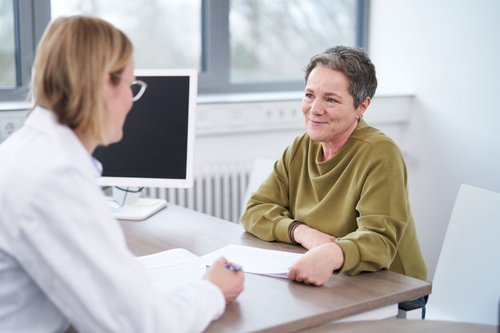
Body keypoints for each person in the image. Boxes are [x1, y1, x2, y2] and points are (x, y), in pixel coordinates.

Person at [0, 16, 244, 332]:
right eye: (131, 85)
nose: (131, 99)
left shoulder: (23, 149)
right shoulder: (56, 178)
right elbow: (141, 326)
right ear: (104, 83)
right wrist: (213, 290)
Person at [241, 46, 427, 287]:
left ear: (362, 106)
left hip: (393, 289)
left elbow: (379, 242)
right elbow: (255, 210)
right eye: (309, 95)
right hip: (335, 280)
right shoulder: (301, 147)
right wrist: (302, 232)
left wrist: (331, 252)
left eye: (330, 99)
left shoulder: (380, 153)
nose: (315, 109)